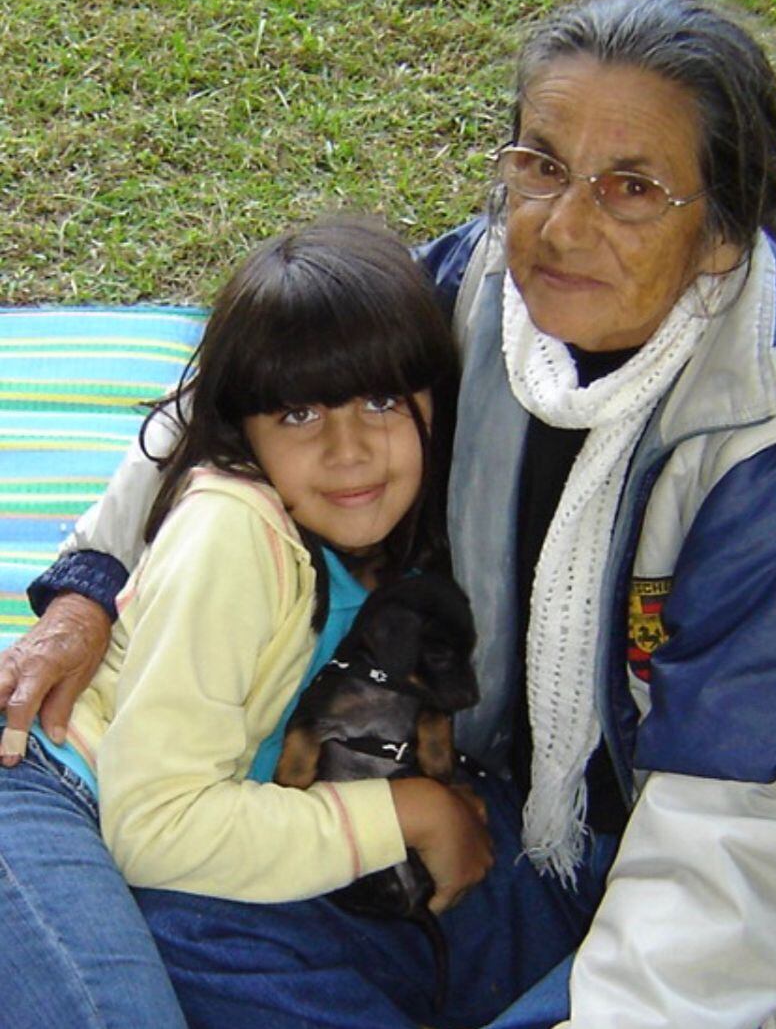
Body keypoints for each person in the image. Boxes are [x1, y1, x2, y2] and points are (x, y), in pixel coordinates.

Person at [0, 0, 776, 1028]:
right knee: (185, 912)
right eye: (541, 165)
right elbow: (242, 398)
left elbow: (736, 845)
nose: (564, 226)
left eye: (632, 188)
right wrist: (88, 587)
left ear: (725, 232)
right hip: (503, 810)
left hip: (738, 879)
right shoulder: (480, 281)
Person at [0, 213, 494, 1028]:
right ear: (240, 428)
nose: (348, 450)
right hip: (40, 789)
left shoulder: (387, 527)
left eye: (380, 401)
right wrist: (406, 812)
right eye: (299, 415)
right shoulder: (233, 532)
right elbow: (156, 826)